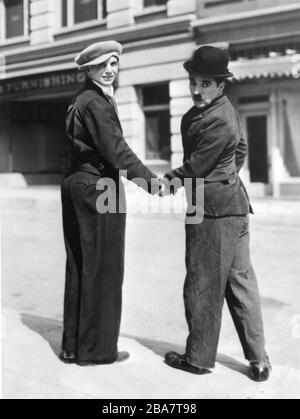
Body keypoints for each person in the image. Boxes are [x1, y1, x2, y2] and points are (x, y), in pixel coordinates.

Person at [162, 46, 271, 382]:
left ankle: (198, 359)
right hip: (233, 205)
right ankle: (259, 360)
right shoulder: (223, 111)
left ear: (221, 85)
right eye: (194, 81)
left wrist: (172, 182)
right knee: (241, 283)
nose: (197, 89)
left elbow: (197, 165)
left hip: (209, 210)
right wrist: (226, 176)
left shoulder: (217, 118)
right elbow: (240, 150)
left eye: (205, 83)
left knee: (202, 284)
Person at [60, 41, 160, 366]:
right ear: (88, 70)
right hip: (100, 186)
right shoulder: (97, 103)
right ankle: (97, 352)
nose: (109, 70)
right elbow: (116, 150)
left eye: (114, 64)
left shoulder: (82, 99)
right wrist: (151, 182)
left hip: (78, 182)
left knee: (80, 266)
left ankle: (73, 347)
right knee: (104, 268)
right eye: (102, 65)